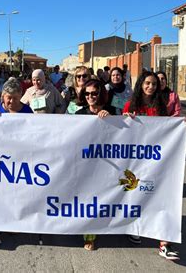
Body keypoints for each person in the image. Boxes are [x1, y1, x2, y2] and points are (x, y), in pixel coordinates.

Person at [122, 71, 180, 260]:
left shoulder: (161, 105)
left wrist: (181, 124)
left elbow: (167, 127)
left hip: (156, 159)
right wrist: (127, 118)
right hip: (135, 159)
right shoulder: (131, 105)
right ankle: (135, 227)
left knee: (161, 195)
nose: (151, 87)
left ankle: (164, 243)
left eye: (154, 84)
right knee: (137, 192)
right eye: (147, 83)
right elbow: (121, 131)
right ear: (141, 84)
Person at [0, 77, 33, 246]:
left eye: (16, 98)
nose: (11, 101)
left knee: (15, 193)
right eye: (8, 97)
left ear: (21, 96)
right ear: (2, 96)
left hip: (19, 159)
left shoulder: (27, 111)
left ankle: (9, 224)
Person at [73, 79, 110, 251]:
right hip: (84, 164)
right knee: (88, 199)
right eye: (87, 93)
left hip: (106, 165)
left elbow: (129, 128)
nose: (90, 97)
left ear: (100, 93)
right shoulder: (79, 114)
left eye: (94, 93)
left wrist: (113, 119)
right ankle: (89, 235)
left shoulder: (112, 112)